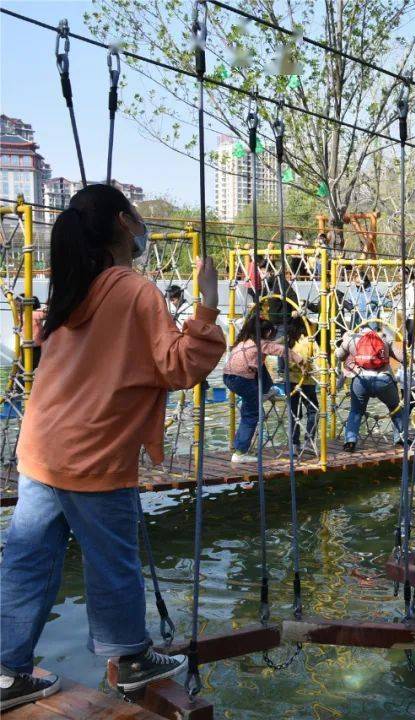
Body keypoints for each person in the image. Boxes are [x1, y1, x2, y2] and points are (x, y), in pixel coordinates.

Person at [0, 184, 225, 711]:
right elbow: (177, 366)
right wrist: (207, 307)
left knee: (28, 560)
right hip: (93, 451)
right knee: (113, 562)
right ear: (125, 223)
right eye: (139, 215)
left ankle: (8, 672)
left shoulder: (73, 286)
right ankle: (130, 658)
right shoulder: (132, 289)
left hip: (41, 446)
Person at [223, 310, 301, 463]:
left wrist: (278, 341)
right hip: (243, 380)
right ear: (266, 332)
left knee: (248, 408)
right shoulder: (260, 344)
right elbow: (282, 350)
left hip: (229, 377)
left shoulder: (244, 341)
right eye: (270, 333)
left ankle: (266, 390)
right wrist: (300, 360)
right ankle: (240, 453)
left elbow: (270, 346)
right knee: (252, 414)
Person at [337, 323, 408, 451]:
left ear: (360, 328)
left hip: (360, 380)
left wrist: (345, 341)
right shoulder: (384, 338)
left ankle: (350, 441)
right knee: (395, 408)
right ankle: (401, 437)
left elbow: (339, 355)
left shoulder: (352, 338)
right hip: (383, 380)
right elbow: (402, 358)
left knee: (356, 411)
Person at [282, 315, 320, 454]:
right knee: (313, 411)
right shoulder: (310, 341)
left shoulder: (288, 340)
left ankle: (293, 444)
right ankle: (309, 440)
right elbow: (319, 360)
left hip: (290, 380)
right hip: (307, 381)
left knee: (293, 413)